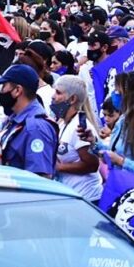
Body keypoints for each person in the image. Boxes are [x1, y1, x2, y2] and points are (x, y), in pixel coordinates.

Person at [0, 64, 58, 178]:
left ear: (17, 90)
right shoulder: (15, 120)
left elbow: (40, 180)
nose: (1, 91)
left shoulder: (36, 128)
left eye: (4, 86)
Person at [51, 75, 102, 203]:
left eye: (58, 92)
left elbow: (92, 164)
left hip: (86, 198)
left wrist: (59, 167)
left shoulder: (80, 127)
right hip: (69, 195)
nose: (53, 97)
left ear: (72, 99)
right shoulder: (62, 124)